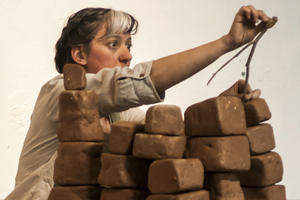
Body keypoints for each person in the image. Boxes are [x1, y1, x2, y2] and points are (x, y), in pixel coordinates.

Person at [5, 5, 272, 200]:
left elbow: (170, 138)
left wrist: (227, 103)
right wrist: (227, 42)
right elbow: (138, 81)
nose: (126, 56)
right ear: (79, 54)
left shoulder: (121, 114)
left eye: (128, 46)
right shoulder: (60, 92)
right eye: (113, 44)